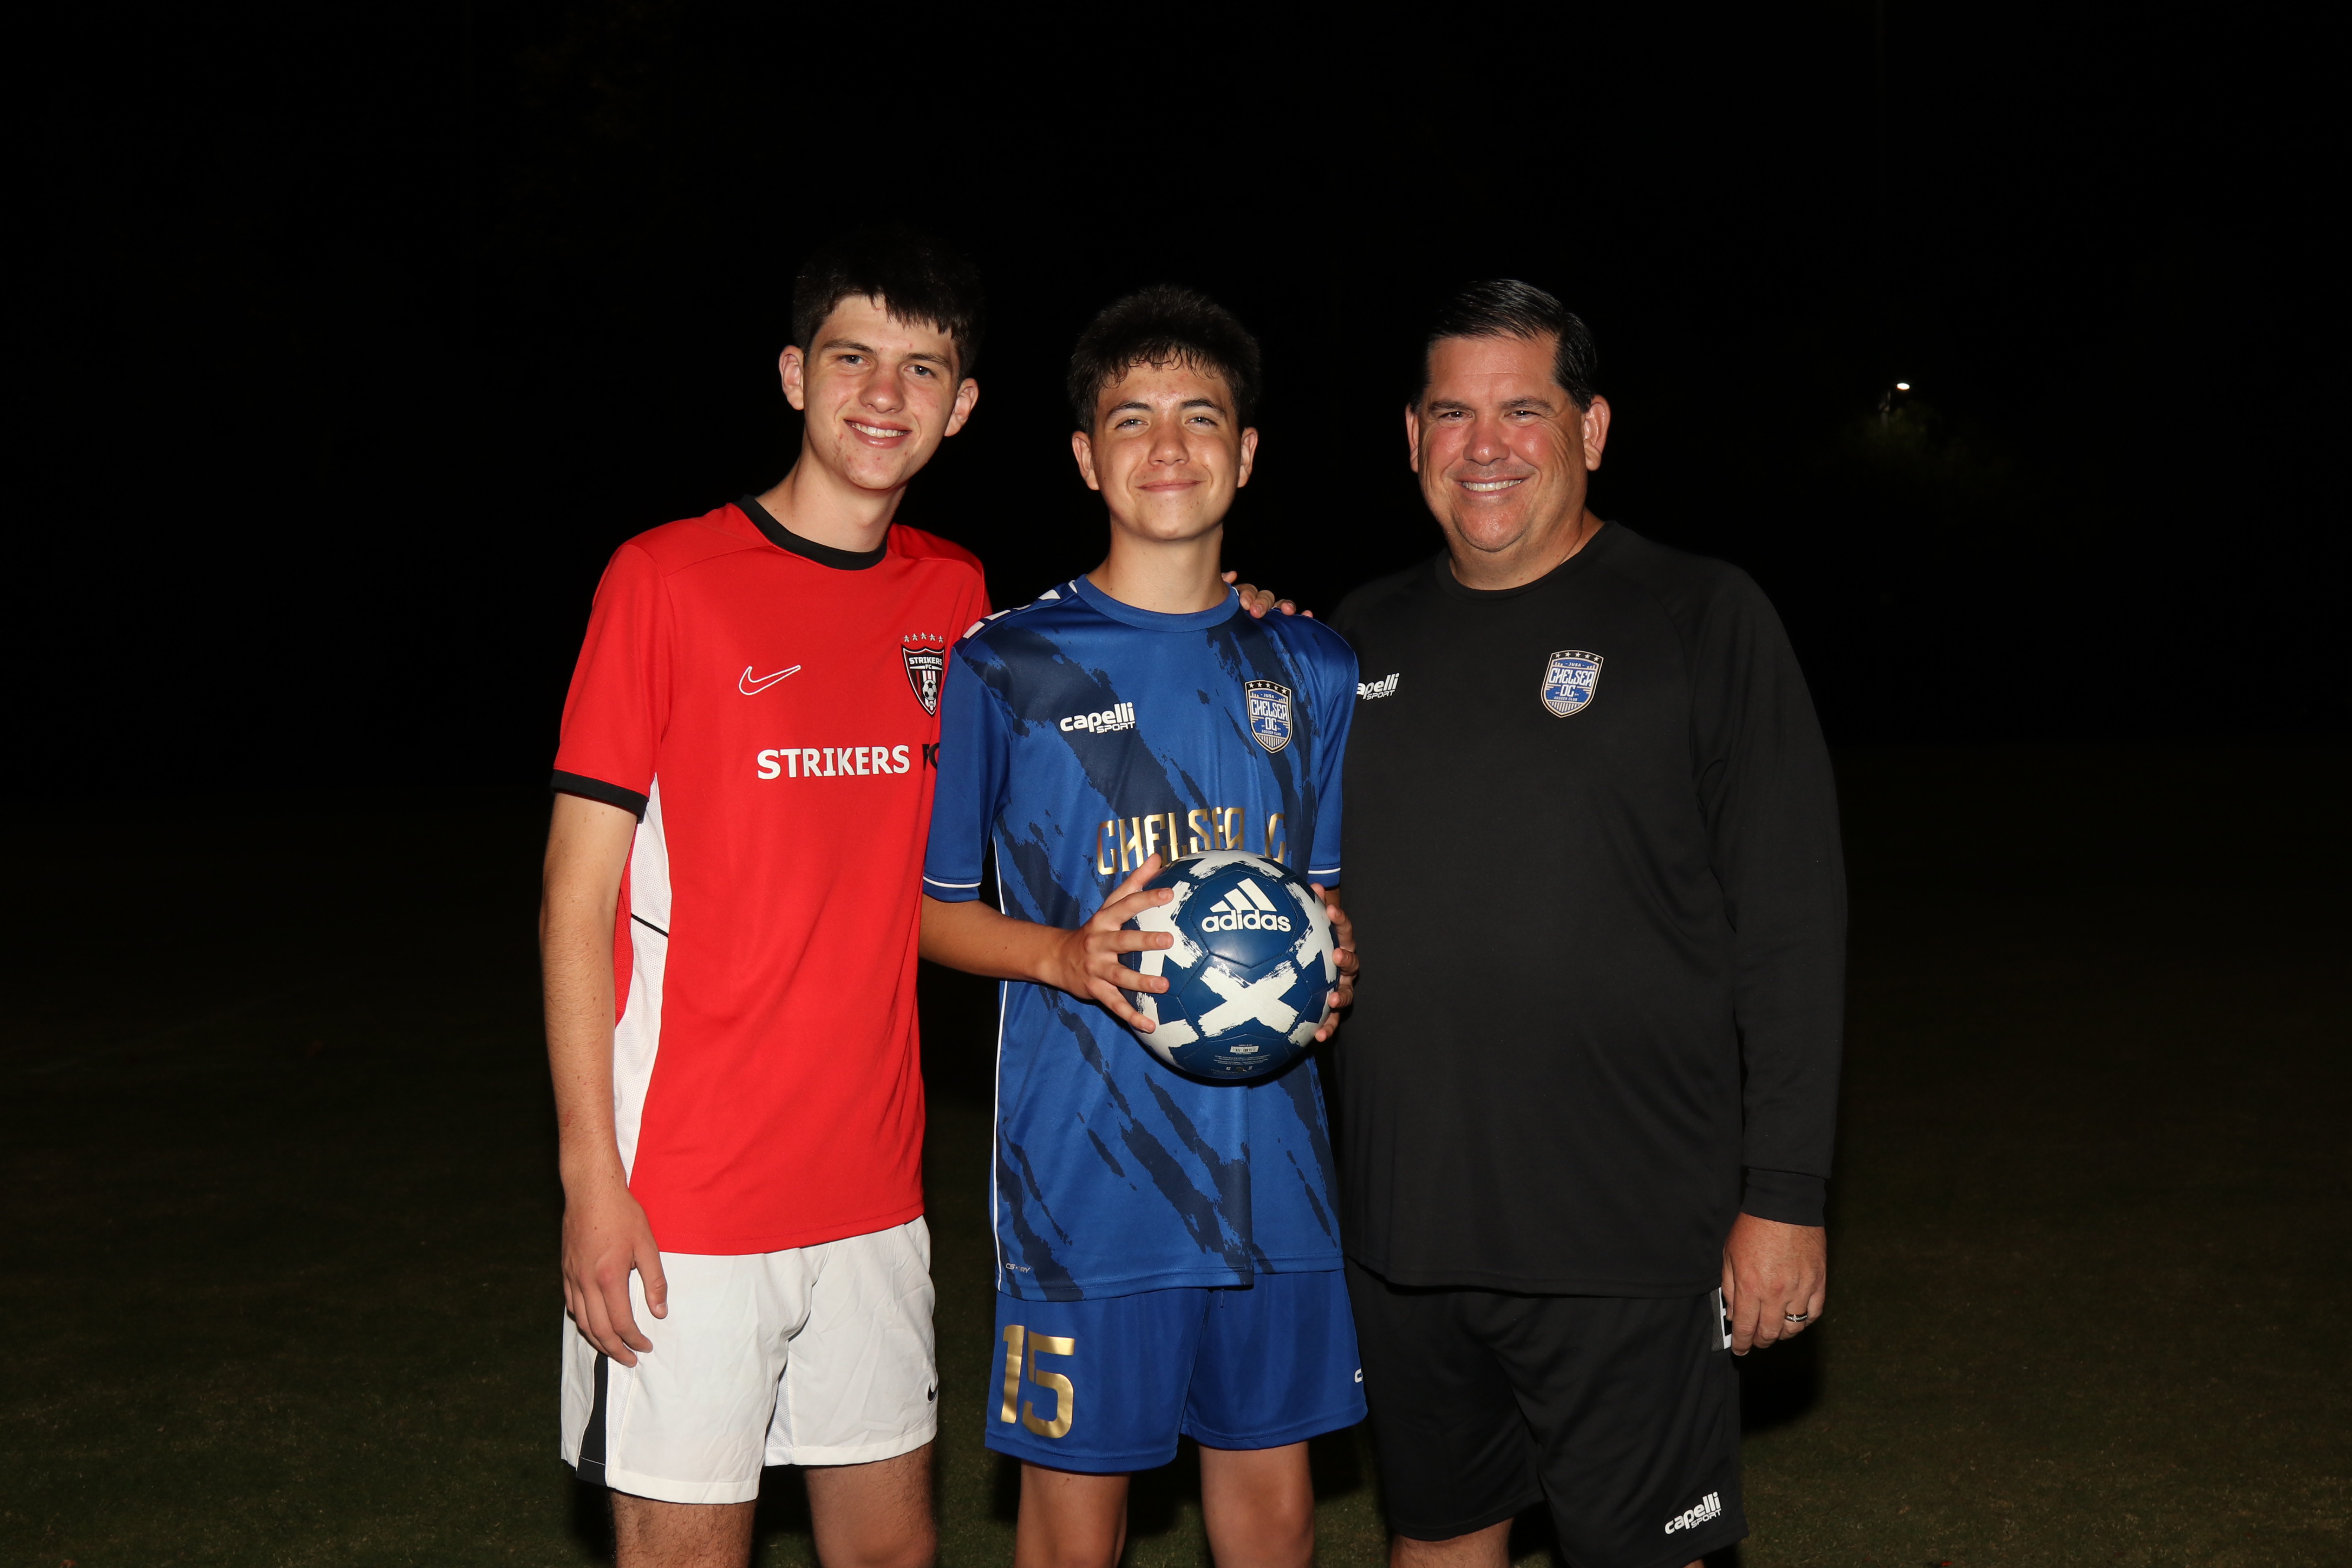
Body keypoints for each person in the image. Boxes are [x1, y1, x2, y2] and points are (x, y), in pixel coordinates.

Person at [1325, 282, 1846, 1568]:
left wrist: (1784, 1197)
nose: (1484, 445)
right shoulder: (1353, 638)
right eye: (1453, 414)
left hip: (1625, 1233)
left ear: (1593, 428)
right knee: (1438, 1544)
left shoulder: (1701, 616)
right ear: (1412, 436)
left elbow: (1792, 925)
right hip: (1406, 1230)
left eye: (1524, 410)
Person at [540, 227, 991, 1568]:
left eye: (923, 369)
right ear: (796, 374)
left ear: (962, 406)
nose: (885, 394)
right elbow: (574, 901)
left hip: (874, 1190)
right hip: (685, 1198)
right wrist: (591, 1180)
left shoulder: (955, 593)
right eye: (854, 358)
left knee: (893, 1551)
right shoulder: (665, 578)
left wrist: (1243, 616)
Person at [918, 287, 1365, 1568]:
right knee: (1075, 1533)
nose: (1168, 447)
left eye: (1201, 417)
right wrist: (1062, 955)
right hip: (1084, 1180)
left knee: (1274, 1521)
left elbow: (1323, 900)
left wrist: (1332, 960)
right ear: (1085, 455)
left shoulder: (1313, 666)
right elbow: (928, 914)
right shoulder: (1010, 663)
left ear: (1248, 450)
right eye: (1132, 419)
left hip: (1275, 1172)